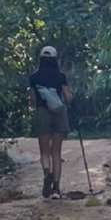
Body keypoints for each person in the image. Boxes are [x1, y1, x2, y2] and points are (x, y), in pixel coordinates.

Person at [27, 45, 73, 199]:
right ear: (55, 59)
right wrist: (71, 98)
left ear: (41, 59)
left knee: (44, 151)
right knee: (56, 152)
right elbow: (67, 97)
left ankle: (47, 174)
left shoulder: (34, 77)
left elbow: (33, 101)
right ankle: (56, 189)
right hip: (59, 114)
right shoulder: (60, 76)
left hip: (42, 113)